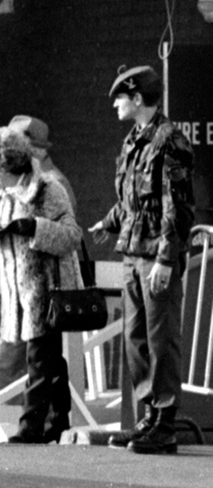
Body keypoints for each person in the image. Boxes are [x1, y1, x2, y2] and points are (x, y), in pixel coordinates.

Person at [89, 64, 195, 456]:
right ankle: (150, 416)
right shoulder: (135, 140)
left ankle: (165, 423)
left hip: (155, 256)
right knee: (136, 339)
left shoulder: (170, 141)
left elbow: (178, 207)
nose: (115, 104)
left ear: (137, 98)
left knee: (160, 338)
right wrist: (108, 221)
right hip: (133, 254)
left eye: (120, 97)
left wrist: (167, 259)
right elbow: (134, 200)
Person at [0, 125, 82, 444]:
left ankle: (31, 426)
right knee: (49, 359)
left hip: (45, 290)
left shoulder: (46, 189)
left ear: (7, 163)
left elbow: (71, 236)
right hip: (17, 294)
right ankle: (58, 419)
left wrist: (34, 227)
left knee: (39, 358)